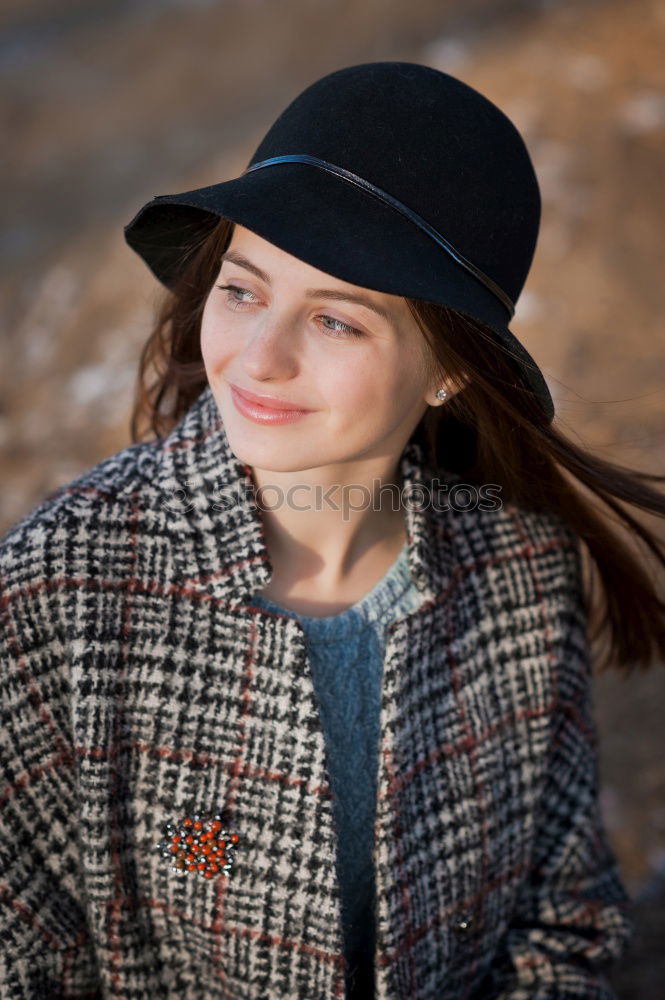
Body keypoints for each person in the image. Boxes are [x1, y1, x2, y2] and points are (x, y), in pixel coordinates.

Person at [1, 61, 663, 1000]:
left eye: (336, 321)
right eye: (242, 290)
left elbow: (563, 928)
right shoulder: (59, 587)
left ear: (447, 370)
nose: (259, 358)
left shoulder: (520, 576)